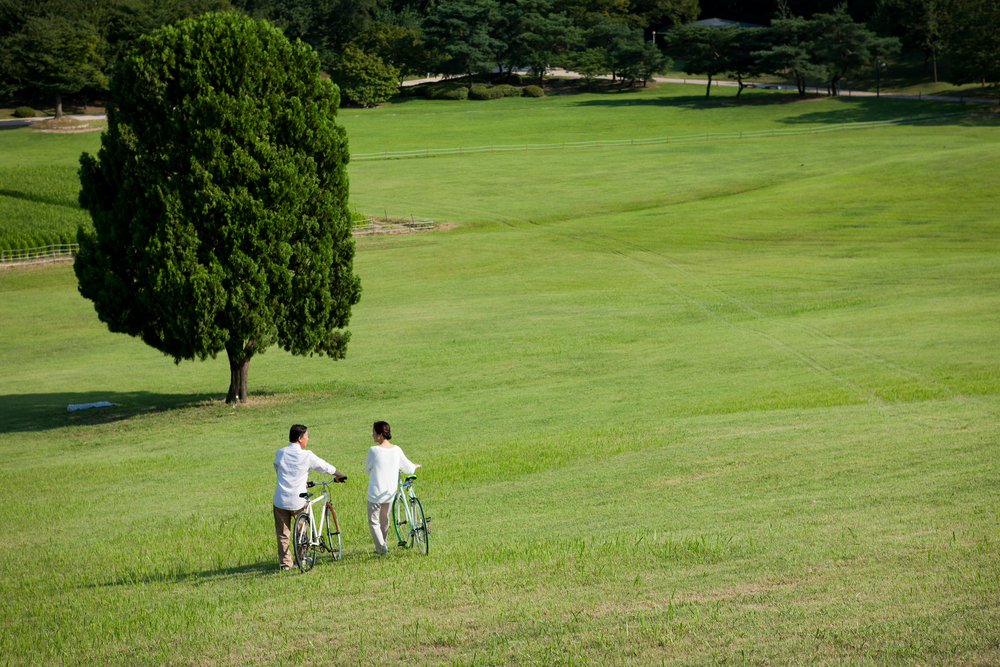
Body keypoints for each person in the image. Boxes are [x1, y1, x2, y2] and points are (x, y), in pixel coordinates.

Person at [273, 424, 346, 571]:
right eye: (306, 436)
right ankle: (303, 558)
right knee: (301, 531)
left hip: (280, 499)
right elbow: (324, 466)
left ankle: (285, 564)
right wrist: (339, 474)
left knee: (282, 534)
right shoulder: (306, 455)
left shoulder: (280, 453)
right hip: (298, 501)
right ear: (300, 438)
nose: (308, 439)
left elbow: (279, 469)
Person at [365, 421, 420, 555]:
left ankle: (382, 549)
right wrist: (415, 466)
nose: (372, 435)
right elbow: (408, 468)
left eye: (374, 432)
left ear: (379, 434)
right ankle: (383, 543)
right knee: (385, 519)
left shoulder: (373, 450)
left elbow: (367, 469)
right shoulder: (396, 450)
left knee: (374, 521)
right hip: (389, 492)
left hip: (375, 493)